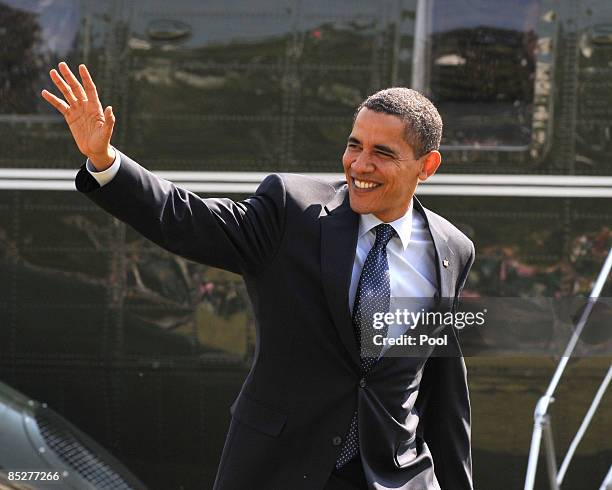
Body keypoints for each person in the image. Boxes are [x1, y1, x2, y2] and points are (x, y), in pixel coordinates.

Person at [42, 62, 475, 490]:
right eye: (354, 145)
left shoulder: (451, 249)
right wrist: (104, 160)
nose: (360, 165)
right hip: (279, 469)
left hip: (392, 478)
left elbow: (439, 388)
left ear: (427, 164)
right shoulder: (293, 212)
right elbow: (188, 219)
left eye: (382, 153)